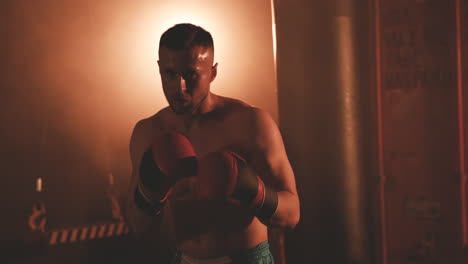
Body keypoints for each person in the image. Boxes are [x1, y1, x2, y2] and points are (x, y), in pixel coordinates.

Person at [124, 23, 300, 264]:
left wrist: (254, 192)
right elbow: (138, 227)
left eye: (191, 75)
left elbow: (292, 214)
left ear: (213, 72)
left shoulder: (251, 122)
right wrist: (150, 192)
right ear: (159, 69)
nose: (180, 87)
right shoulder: (148, 132)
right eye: (170, 74)